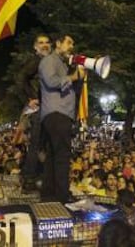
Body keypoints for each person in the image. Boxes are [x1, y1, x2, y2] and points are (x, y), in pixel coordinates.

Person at [38, 34, 85, 203]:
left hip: (58, 115)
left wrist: (78, 75)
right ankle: (62, 196)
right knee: (62, 156)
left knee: (52, 156)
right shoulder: (49, 61)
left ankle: (48, 194)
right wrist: (72, 77)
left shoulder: (63, 65)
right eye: (69, 42)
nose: (72, 45)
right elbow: (51, 81)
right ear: (58, 43)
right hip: (57, 114)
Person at [18, 34, 51, 186]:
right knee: (37, 143)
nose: (45, 45)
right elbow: (21, 77)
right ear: (35, 47)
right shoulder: (36, 61)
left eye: (47, 42)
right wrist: (30, 98)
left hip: (47, 108)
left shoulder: (48, 62)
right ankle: (29, 176)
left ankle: (38, 174)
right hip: (38, 110)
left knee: (43, 145)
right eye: (41, 42)